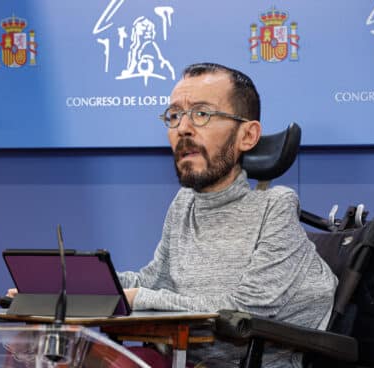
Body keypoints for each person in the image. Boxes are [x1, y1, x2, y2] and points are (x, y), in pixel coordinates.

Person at [117, 62, 337, 367]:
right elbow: (155, 281)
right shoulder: (184, 204)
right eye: (175, 115)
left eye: (202, 114)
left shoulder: (276, 208)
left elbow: (244, 313)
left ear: (247, 136)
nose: (182, 128)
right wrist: (73, 282)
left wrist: (139, 298)